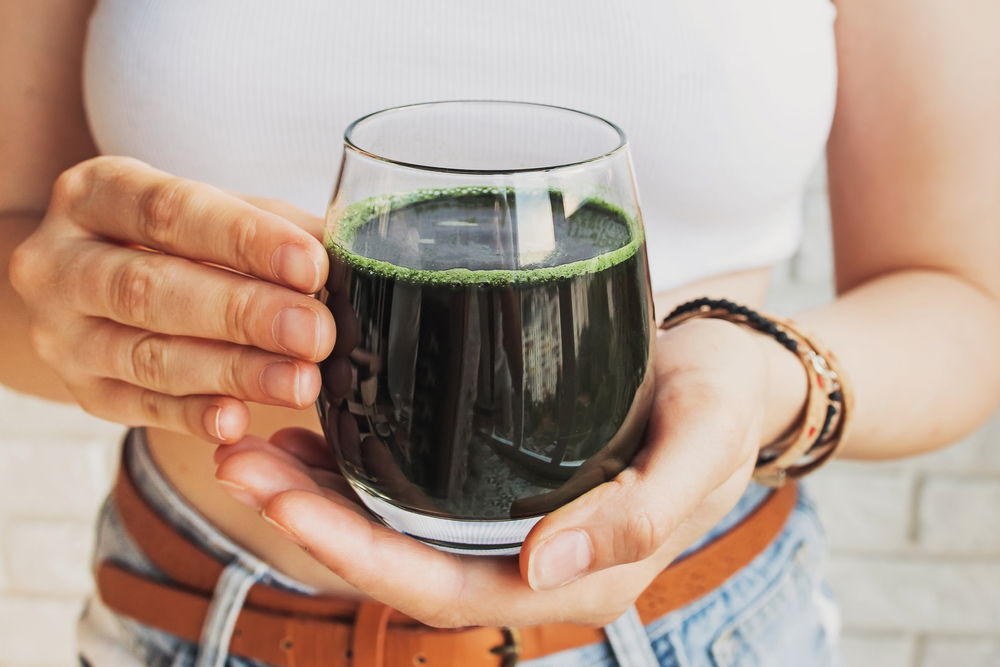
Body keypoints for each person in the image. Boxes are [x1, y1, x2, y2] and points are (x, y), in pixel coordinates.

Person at [2, 0, 999, 665]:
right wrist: (65, 311)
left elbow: (962, 297)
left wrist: (757, 375)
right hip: (199, 621)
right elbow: (17, 246)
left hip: (705, 626)